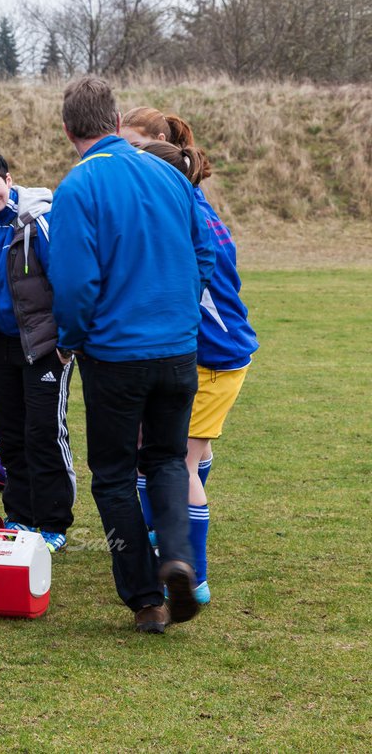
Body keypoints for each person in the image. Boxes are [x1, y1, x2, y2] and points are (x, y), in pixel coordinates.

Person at [46, 77, 214, 634]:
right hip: (176, 349)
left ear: (69, 129)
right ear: (116, 122)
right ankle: (178, 559)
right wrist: (182, 309)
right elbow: (205, 250)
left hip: (115, 355)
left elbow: (73, 283)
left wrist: (70, 337)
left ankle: (146, 598)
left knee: (114, 475)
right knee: (166, 459)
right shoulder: (170, 175)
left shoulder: (77, 187)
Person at [128, 134, 258, 606]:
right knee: (170, 453)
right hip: (210, 354)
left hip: (211, 359)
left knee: (177, 463)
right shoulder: (195, 205)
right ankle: (161, 538)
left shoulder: (184, 222)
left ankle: (192, 576)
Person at [0, 148, 76, 552]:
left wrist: (66, 343)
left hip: (44, 347)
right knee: (10, 435)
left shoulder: (38, 222)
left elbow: (66, 280)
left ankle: (54, 523)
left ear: (8, 180)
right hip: (1, 349)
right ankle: (21, 517)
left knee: (43, 433)